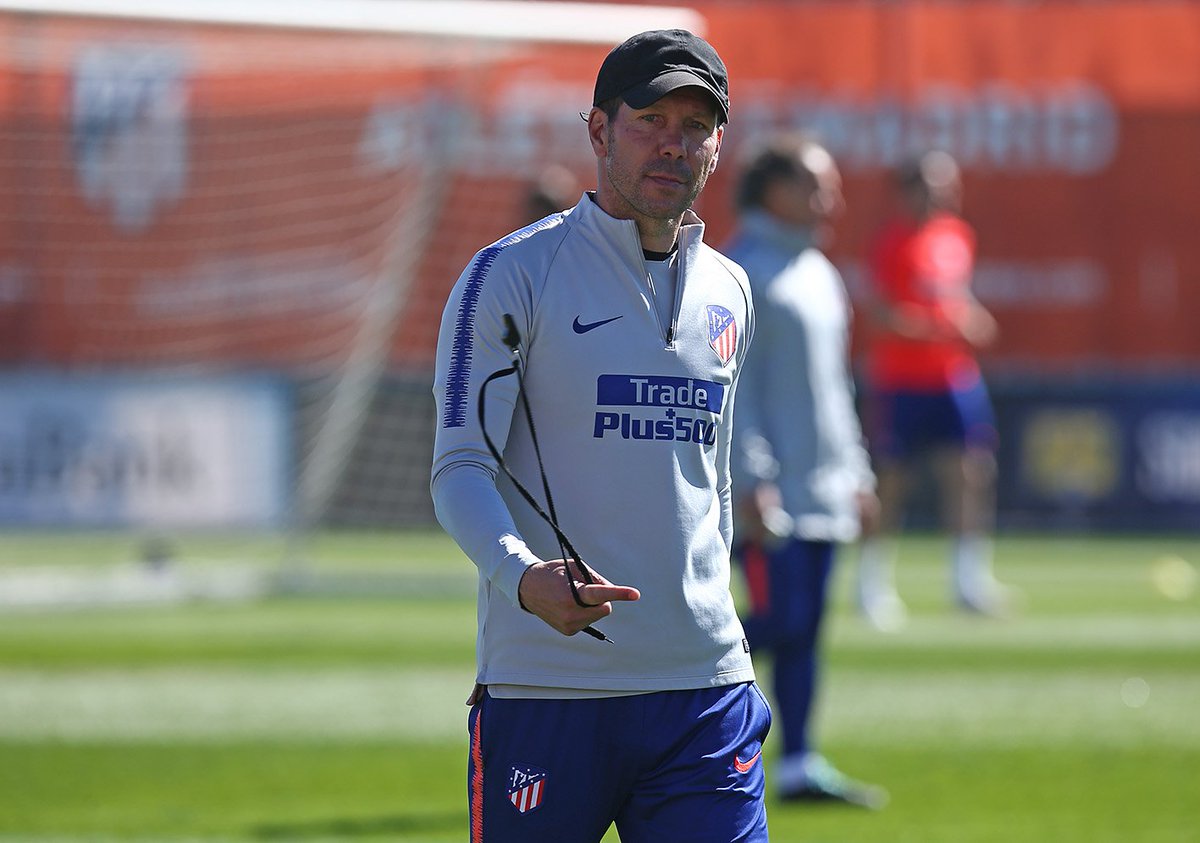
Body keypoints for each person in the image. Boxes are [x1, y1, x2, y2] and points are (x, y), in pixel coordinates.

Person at [430, 29, 770, 842]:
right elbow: (459, 467)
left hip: (704, 691)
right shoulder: (511, 273)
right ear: (598, 131)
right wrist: (522, 577)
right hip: (548, 688)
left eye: (695, 126)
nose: (672, 144)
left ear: (718, 145)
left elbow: (710, 477)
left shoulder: (732, 289)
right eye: (650, 119)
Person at [724, 134, 887, 809]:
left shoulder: (818, 271)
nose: (833, 198)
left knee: (807, 627)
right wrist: (751, 477)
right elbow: (733, 389)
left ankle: (797, 763)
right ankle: (665, 693)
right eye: (818, 184)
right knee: (780, 619)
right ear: (776, 191)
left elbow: (834, 390)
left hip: (823, 489)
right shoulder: (738, 271)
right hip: (769, 493)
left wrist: (859, 472)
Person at [856, 149, 1012, 631]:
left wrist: (971, 320)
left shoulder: (957, 236)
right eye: (930, 185)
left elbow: (955, 300)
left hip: (954, 376)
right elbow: (881, 312)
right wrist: (929, 328)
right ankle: (872, 584)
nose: (941, 195)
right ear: (908, 191)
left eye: (947, 185)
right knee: (893, 481)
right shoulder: (891, 242)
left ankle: (968, 580)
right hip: (902, 379)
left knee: (971, 471)